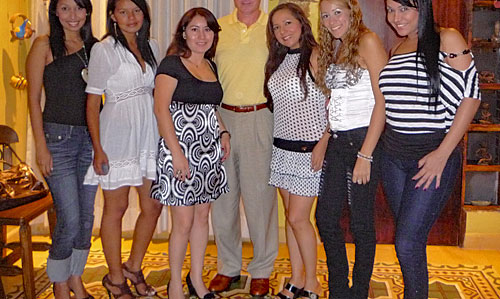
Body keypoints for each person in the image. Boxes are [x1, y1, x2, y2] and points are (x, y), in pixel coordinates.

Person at [379, 0, 480, 297]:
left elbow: (471, 96)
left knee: (407, 242)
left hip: (433, 155)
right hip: (393, 158)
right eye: (390, 9)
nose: (395, 17)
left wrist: (442, 154)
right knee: (410, 240)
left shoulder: (446, 38)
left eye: (404, 9)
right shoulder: (396, 48)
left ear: (422, 8)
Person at [84, 0, 162, 297]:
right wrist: (98, 147)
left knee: (153, 205)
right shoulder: (103, 50)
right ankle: (115, 278)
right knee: (116, 208)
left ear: (144, 14)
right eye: (123, 11)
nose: (131, 17)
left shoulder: (152, 46)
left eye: (136, 11)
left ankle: (133, 265)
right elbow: (92, 102)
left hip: (148, 133)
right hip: (115, 134)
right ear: (113, 16)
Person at [150, 7, 229, 299]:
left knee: (202, 215)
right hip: (179, 148)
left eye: (207, 29)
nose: (201, 35)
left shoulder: (211, 66)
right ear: (183, 33)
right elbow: (161, 110)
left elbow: (210, 108)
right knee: (182, 221)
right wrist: (178, 154)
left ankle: (196, 280)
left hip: (208, 149)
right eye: (194, 29)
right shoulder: (171, 64)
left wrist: (223, 132)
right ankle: (174, 285)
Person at [315, 0, 388, 298]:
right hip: (338, 140)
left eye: (338, 12)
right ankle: (338, 289)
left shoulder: (368, 40)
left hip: (364, 140)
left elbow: (384, 101)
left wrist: (366, 155)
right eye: (326, 15)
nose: (332, 20)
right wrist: (325, 136)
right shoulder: (335, 45)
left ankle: (358, 290)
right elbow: (338, 102)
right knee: (326, 217)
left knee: (360, 221)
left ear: (352, 11)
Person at [26, 0, 98, 298]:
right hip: (57, 141)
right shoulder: (44, 45)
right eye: (66, 8)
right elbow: (32, 100)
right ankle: (59, 282)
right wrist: (41, 147)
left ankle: (75, 277)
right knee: (68, 218)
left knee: (86, 218)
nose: (73, 15)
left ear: (87, 12)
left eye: (79, 8)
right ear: (55, 11)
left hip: (90, 140)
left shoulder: (95, 47)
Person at [208, 0, 279, 297]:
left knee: (260, 199)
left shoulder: (274, 27)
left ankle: (262, 269)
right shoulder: (217, 28)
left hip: (261, 116)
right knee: (223, 197)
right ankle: (228, 266)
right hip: (221, 118)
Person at [264, 3, 327, 299]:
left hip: (308, 150)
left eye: (288, 23)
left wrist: (324, 143)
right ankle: (296, 277)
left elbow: (333, 104)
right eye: (276, 27)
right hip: (282, 149)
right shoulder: (278, 60)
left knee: (300, 218)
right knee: (291, 217)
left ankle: (312, 282)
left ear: (302, 23)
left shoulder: (315, 56)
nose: (282, 31)